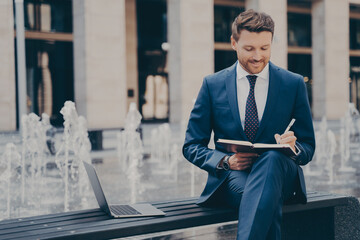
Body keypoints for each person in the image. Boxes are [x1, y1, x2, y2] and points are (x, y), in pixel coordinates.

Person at [182, 9, 315, 240]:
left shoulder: (292, 84)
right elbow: (191, 145)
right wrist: (225, 161)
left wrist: (294, 147)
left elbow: (308, 146)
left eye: (264, 48)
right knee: (264, 200)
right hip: (234, 176)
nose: (257, 56)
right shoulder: (212, 85)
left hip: (283, 175)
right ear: (234, 43)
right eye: (249, 48)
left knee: (273, 159)